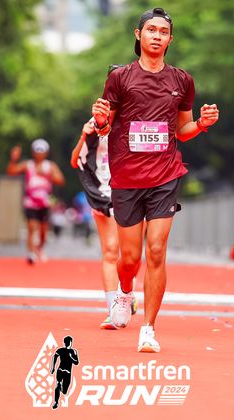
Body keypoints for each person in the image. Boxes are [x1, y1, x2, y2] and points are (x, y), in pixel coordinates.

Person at [91, 7, 219, 352]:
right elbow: (105, 127)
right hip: (127, 177)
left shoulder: (182, 81)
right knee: (130, 259)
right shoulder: (120, 78)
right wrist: (101, 120)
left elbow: (182, 129)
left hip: (165, 175)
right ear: (139, 34)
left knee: (157, 250)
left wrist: (202, 124)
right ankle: (125, 292)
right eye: (151, 30)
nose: (157, 36)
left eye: (163, 32)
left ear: (170, 39)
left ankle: (148, 328)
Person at [70, 111, 137, 330]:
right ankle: (112, 310)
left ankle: (126, 291)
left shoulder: (137, 115)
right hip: (103, 194)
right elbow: (75, 161)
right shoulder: (95, 121)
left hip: (133, 192)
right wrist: (84, 135)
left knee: (130, 255)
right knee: (110, 251)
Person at [6, 139, 65, 264]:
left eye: (42, 151)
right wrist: (13, 159)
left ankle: (39, 248)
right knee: (32, 228)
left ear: (46, 153)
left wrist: (47, 175)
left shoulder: (50, 166)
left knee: (43, 232)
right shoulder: (28, 165)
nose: (39, 154)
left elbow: (61, 180)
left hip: (45, 203)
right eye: (37, 151)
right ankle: (31, 253)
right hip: (31, 202)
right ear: (33, 152)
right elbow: (11, 172)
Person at [49, 335, 79, 410]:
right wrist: (53, 367)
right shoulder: (65, 350)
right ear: (70, 342)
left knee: (63, 390)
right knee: (60, 386)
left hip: (62, 371)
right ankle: (56, 401)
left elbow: (76, 362)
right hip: (64, 371)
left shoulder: (71, 351)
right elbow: (76, 362)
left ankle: (58, 394)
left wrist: (53, 368)